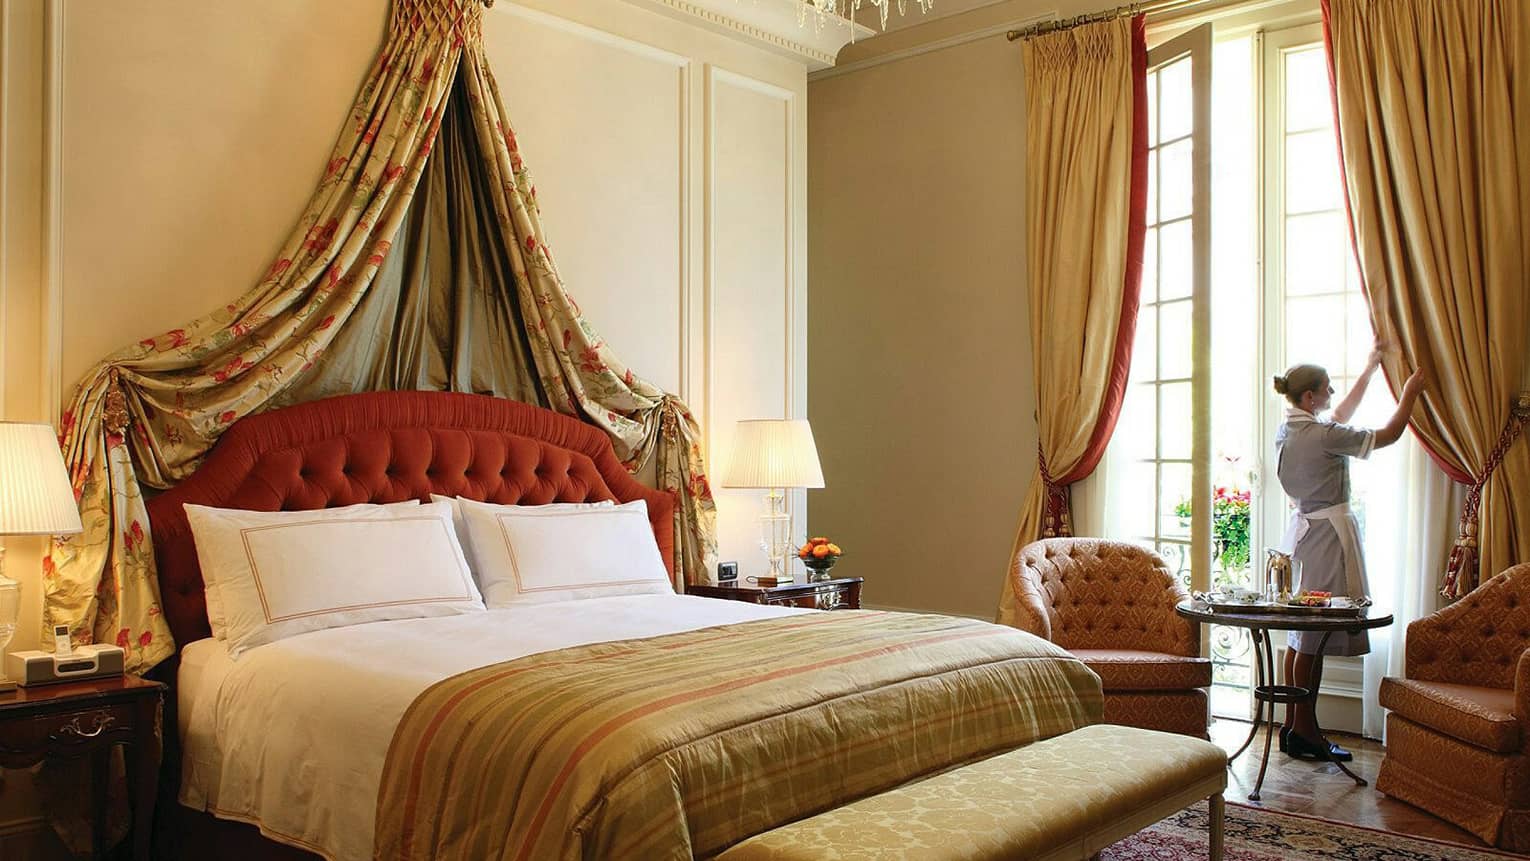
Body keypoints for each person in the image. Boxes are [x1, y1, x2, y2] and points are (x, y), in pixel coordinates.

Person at [1271, 347, 1425, 761]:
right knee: (1313, 638)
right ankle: (1307, 732)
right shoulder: (1322, 436)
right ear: (1309, 398)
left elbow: (1338, 414)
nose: (1332, 392)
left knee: (1301, 636)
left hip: (1304, 537)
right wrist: (1411, 392)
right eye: (1326, 388)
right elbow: (1388, 435)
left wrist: (1371, 368)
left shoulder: (1290, 431)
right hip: (1325, 540)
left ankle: (1292, 726)